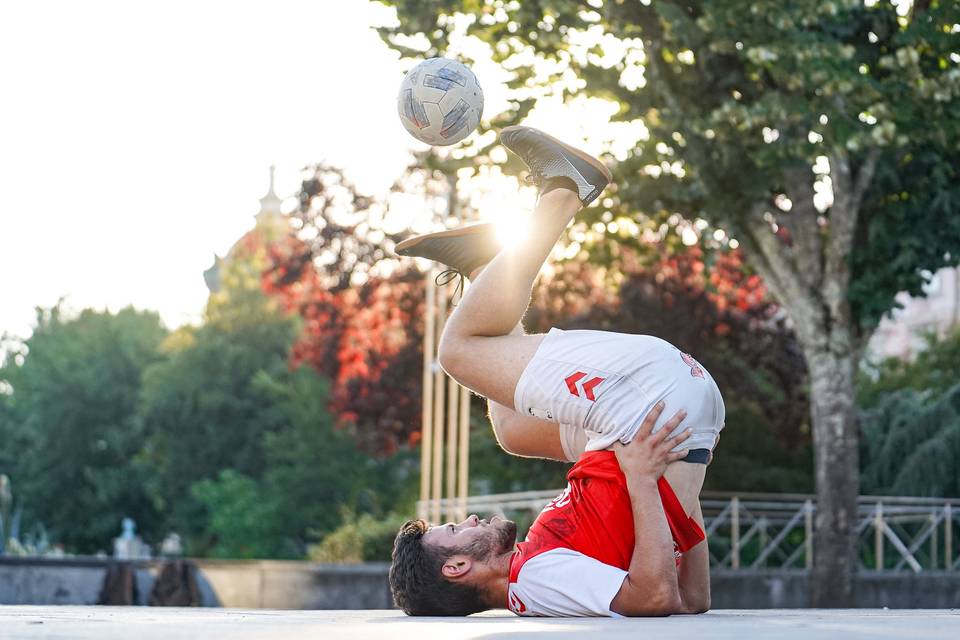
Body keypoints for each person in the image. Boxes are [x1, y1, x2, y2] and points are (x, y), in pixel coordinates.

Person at [389, 126, 724, 617]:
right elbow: (654, 598)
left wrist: (679, 490)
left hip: (673, 418)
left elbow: (693, 601)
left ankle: (486, 271)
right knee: (460, 353)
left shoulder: (534, 571)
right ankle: (564, 191)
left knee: (512, 431)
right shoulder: (536, 582)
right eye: (459, 530)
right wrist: (644, 482)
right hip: (644, 405)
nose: (471, 518)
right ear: (457, 568)